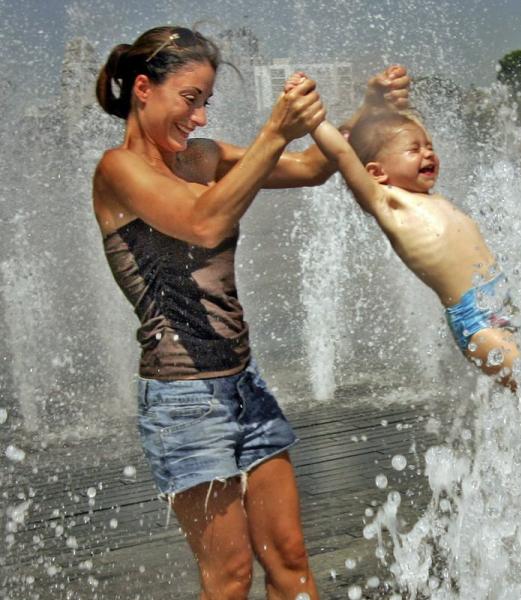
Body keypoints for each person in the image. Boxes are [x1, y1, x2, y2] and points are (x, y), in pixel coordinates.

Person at [91, 26, 410, 599]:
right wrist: (271, 131)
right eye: (190, 99)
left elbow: (313, 167)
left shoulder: (203, 158)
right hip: (182, 399)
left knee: (290, 559)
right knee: (230, 577)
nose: (201, 118)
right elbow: (203, 223)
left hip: (245, 385)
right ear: (143, 88)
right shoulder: (118, 171)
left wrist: (369, 112)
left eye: (206, 102)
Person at [285, 73, 521, 391]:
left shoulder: (431, 198)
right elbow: (341, 154)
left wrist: (392, 105)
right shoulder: (388, 203)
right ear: (376, 172)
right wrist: (312, 117)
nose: (428, 154)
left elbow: (407, 123)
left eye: (429, 147)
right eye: (414, 150)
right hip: (477, 322)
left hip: (506, 305)